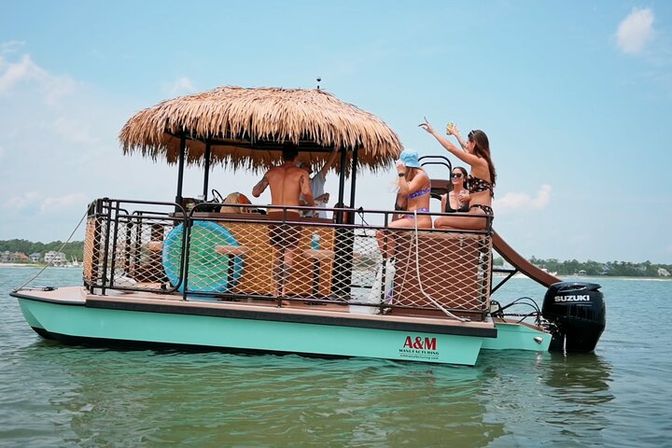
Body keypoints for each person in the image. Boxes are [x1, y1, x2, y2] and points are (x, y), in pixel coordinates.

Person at [252, 143, 315, 297]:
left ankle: (274, 290)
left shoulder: (271, 172)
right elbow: (306, 192)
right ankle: (283, 292)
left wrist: (267, 179)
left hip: (274, 215)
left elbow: (255, 192)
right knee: (288, 253)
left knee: (278, 252)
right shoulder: (301, 173)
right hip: (292, 215)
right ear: (296, 156)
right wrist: (311, 203)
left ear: (282, 155)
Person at [419, 120, 496, 230]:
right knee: (443, 225)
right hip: (480, 213)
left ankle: (461, 241)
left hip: (480, 214)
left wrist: (433, 132)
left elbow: (451, 148)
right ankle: (461, 240)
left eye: (468, 142)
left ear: (474, 144)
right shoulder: (482, 162)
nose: (466, 144)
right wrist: (456, 134)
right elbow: (465, 149)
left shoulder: (480, 162)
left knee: (439, 222)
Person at [376, 149, 432, 259]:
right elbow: (400, 203)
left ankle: (389, 263)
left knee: (384, 231)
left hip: (419, 219)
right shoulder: (410, 179)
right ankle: (389, 262)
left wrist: (401, 173)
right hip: (409, 219)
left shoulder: (421, 176)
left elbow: (406, 191)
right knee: (382, 232)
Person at [299, 148, 339, 219]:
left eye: (308, 166)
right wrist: (319, 199)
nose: (308, 167)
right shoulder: (298, 187)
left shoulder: (317, 180)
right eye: (305, 165)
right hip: (307, 222)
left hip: (322, 221)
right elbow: (302, 211)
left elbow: (328, 164)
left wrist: (335, 149)